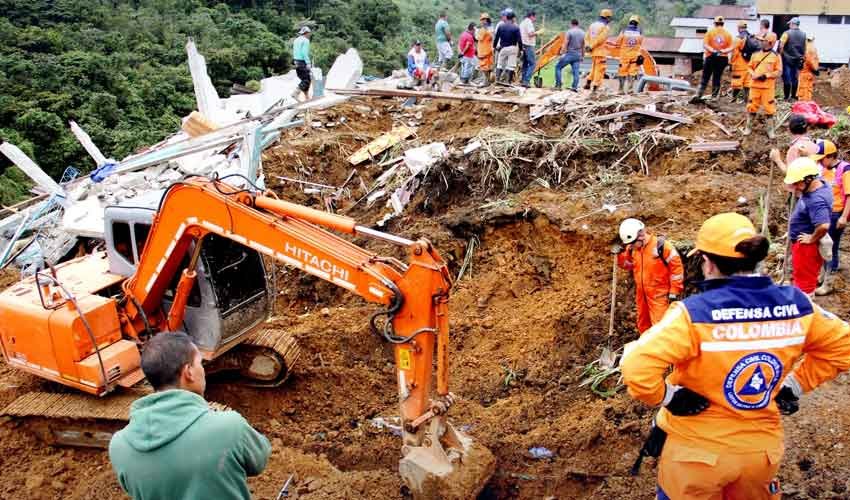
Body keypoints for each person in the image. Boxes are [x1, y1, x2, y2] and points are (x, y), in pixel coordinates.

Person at [621, 212, 850, 500]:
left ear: (707, 262)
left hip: (696, 455)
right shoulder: (798, 305)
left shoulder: (693, 314)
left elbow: (635, 366)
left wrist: (669, 397)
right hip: (759, 456)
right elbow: (843, 347)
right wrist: (795, 384)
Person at [109, 332, 271, 500]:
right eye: (199, 363)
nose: (203, 370)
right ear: (188, 372)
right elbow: (259, 460)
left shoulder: (119, 446)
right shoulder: (229, 426)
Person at [616, 218, 685, 334]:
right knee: (643, 324)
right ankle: (646, 344)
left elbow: (677, 270)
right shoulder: (632, 249)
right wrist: (619, 255)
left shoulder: (662, 247)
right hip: (641, 294)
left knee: (660, 327)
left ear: (641, 236)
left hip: (659, 294)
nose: (630, 246)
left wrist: (674, 290)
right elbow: (627, 265)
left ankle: (661, 346)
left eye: (632, 243)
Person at [785, 157, 833, 296]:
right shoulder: (821, 183)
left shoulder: (816, 200)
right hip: (803, 242)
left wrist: (811, 238)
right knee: (801, 278)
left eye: (797, 183)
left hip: (806, 247)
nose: (795, 186)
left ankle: (805, 304)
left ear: (809, 179)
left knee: (804, 285)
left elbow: (824, 225)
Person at [813, 140, 849, 295]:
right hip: (826, 212)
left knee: (830, 247)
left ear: (830, 156)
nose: (820, 162)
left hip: (837, 213)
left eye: (822, 159)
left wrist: (844, 217)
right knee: (824, 245)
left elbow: (849, 195)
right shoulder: (824, 169)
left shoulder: (845, 169)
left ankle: (828, 282)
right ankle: (823, 275)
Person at [744, 32, 781, 138]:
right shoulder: (755, 54)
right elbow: (749, 67)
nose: (760, 42)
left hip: (767, 87)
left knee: (769, 108)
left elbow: (779, 72)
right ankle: (748, 128)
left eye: (763, 41)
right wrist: (753, 74)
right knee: (751, 106)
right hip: (755, 86)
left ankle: (770, 130)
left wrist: (766, 75)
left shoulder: (776, 56)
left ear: (770, 43)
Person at [694, 16, 733, 101]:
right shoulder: (728, 34)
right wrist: (723, 51)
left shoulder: (710, 32)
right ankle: (714, 96)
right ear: (723, 24)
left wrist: (713, 50)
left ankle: (699, 94)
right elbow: (731, 47)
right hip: (722, 58)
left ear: (715, 23)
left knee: (705, 77)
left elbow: (705, 45)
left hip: (711, 57)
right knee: (717, 77)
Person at [613, 15, 644, 94]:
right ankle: (630, 89)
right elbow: (640, 43)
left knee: (622, 72)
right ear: (637, 23)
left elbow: (618, 42)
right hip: (634, 56)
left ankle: (620, 90)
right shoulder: (640, 32)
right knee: (632, 72)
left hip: (624, 56)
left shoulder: (624, 31)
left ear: (629, 22)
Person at [585, 8, 613, 95]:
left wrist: (588, 46)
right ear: (607, 17)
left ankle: (588, 82)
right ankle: (595, 87)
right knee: (600, 69)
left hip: (593, 52)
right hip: (600, 52)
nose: (610, 20)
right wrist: (592, 46)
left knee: (594, 67)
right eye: (609, 18)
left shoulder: (592, 25)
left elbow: (587, 37)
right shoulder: (605, 27)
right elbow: (600, 39)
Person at [779, 17, 807, 102]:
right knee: (795, 78)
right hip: (798, 59)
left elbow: (781, 45)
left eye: (790, 24)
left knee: (787, 78)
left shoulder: (786, 33)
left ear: (792, 24)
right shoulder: (804, 34)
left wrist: (781, 54)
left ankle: (786, 97)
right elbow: (805, 48)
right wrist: (802, 57)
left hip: (787, 59)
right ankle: (794, 96)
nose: (789, 25)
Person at [554, 19, 584, 91]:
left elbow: (566, 43)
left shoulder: (569, 32)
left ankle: (558, 85)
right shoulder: (583, 33)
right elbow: (583, 45)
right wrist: (582, 55)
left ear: (571, 24)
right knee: (576, 71)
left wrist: (562, 52)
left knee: (558, 67)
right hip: (578, 55)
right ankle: (574, 87)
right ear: (578, 24)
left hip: (570, 54)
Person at [729, 20, 755, 103]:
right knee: (747, 83)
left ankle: (733, 99)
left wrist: (731, 63)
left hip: (739, 64)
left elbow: (734, 53)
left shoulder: (738, 39)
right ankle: (747, 99)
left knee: (736, 83)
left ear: (739, 28)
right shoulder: (751, 37)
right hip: (749, 64)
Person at [493, 11, 521, 83]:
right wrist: (520, 49)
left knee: (499, 64)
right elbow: (519, 40)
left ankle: (497, 80)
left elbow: (496, 38)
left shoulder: (501, 26)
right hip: (513, 48)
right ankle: (508, 81)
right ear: (513, 18)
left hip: (503, 48)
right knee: (511, 66)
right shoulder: (516, 27)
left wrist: (494, 47)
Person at [519, 10, 543, 87]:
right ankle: (526, 81)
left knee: (525, 64)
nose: (535, 19)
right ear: (532, 16)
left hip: (523, 45)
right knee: (533, 63)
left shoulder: (522, 22)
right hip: (529, 45)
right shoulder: (529, 22)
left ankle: (523, 80)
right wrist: (538, 32)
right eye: (534, 17)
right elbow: (530, 34)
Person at [797, 33, 819, 102]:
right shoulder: (811, 48)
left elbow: (808, 60)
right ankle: (806, 104)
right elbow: (811, 60)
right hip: (808, 72)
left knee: (804, 90)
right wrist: (815, 69)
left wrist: (814, 69)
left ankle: (804, 104)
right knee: (807, 90)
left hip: (805, 72)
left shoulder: (806, 47)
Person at [292, 26, 313, 101]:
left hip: (296, 61)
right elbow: (304, 53)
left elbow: (294, 51)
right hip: (302, 61)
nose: (310, 34)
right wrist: (308, 63)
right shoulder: (306, 41)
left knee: (305, 78)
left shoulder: (296, 40)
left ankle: (306, 97)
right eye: (309, 33)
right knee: (307, 79)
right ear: (306, 33)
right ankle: (295, 93)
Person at [477, 13, 495, 85]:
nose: (481, 21)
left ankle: (486, 82)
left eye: (482, 20)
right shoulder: (491, 29)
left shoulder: (483, 30)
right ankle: (487, 81)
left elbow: (479, 38)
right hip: (488, 50)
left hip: (484, 50)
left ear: (485, 20)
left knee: (484, 67)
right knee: (488, 66)